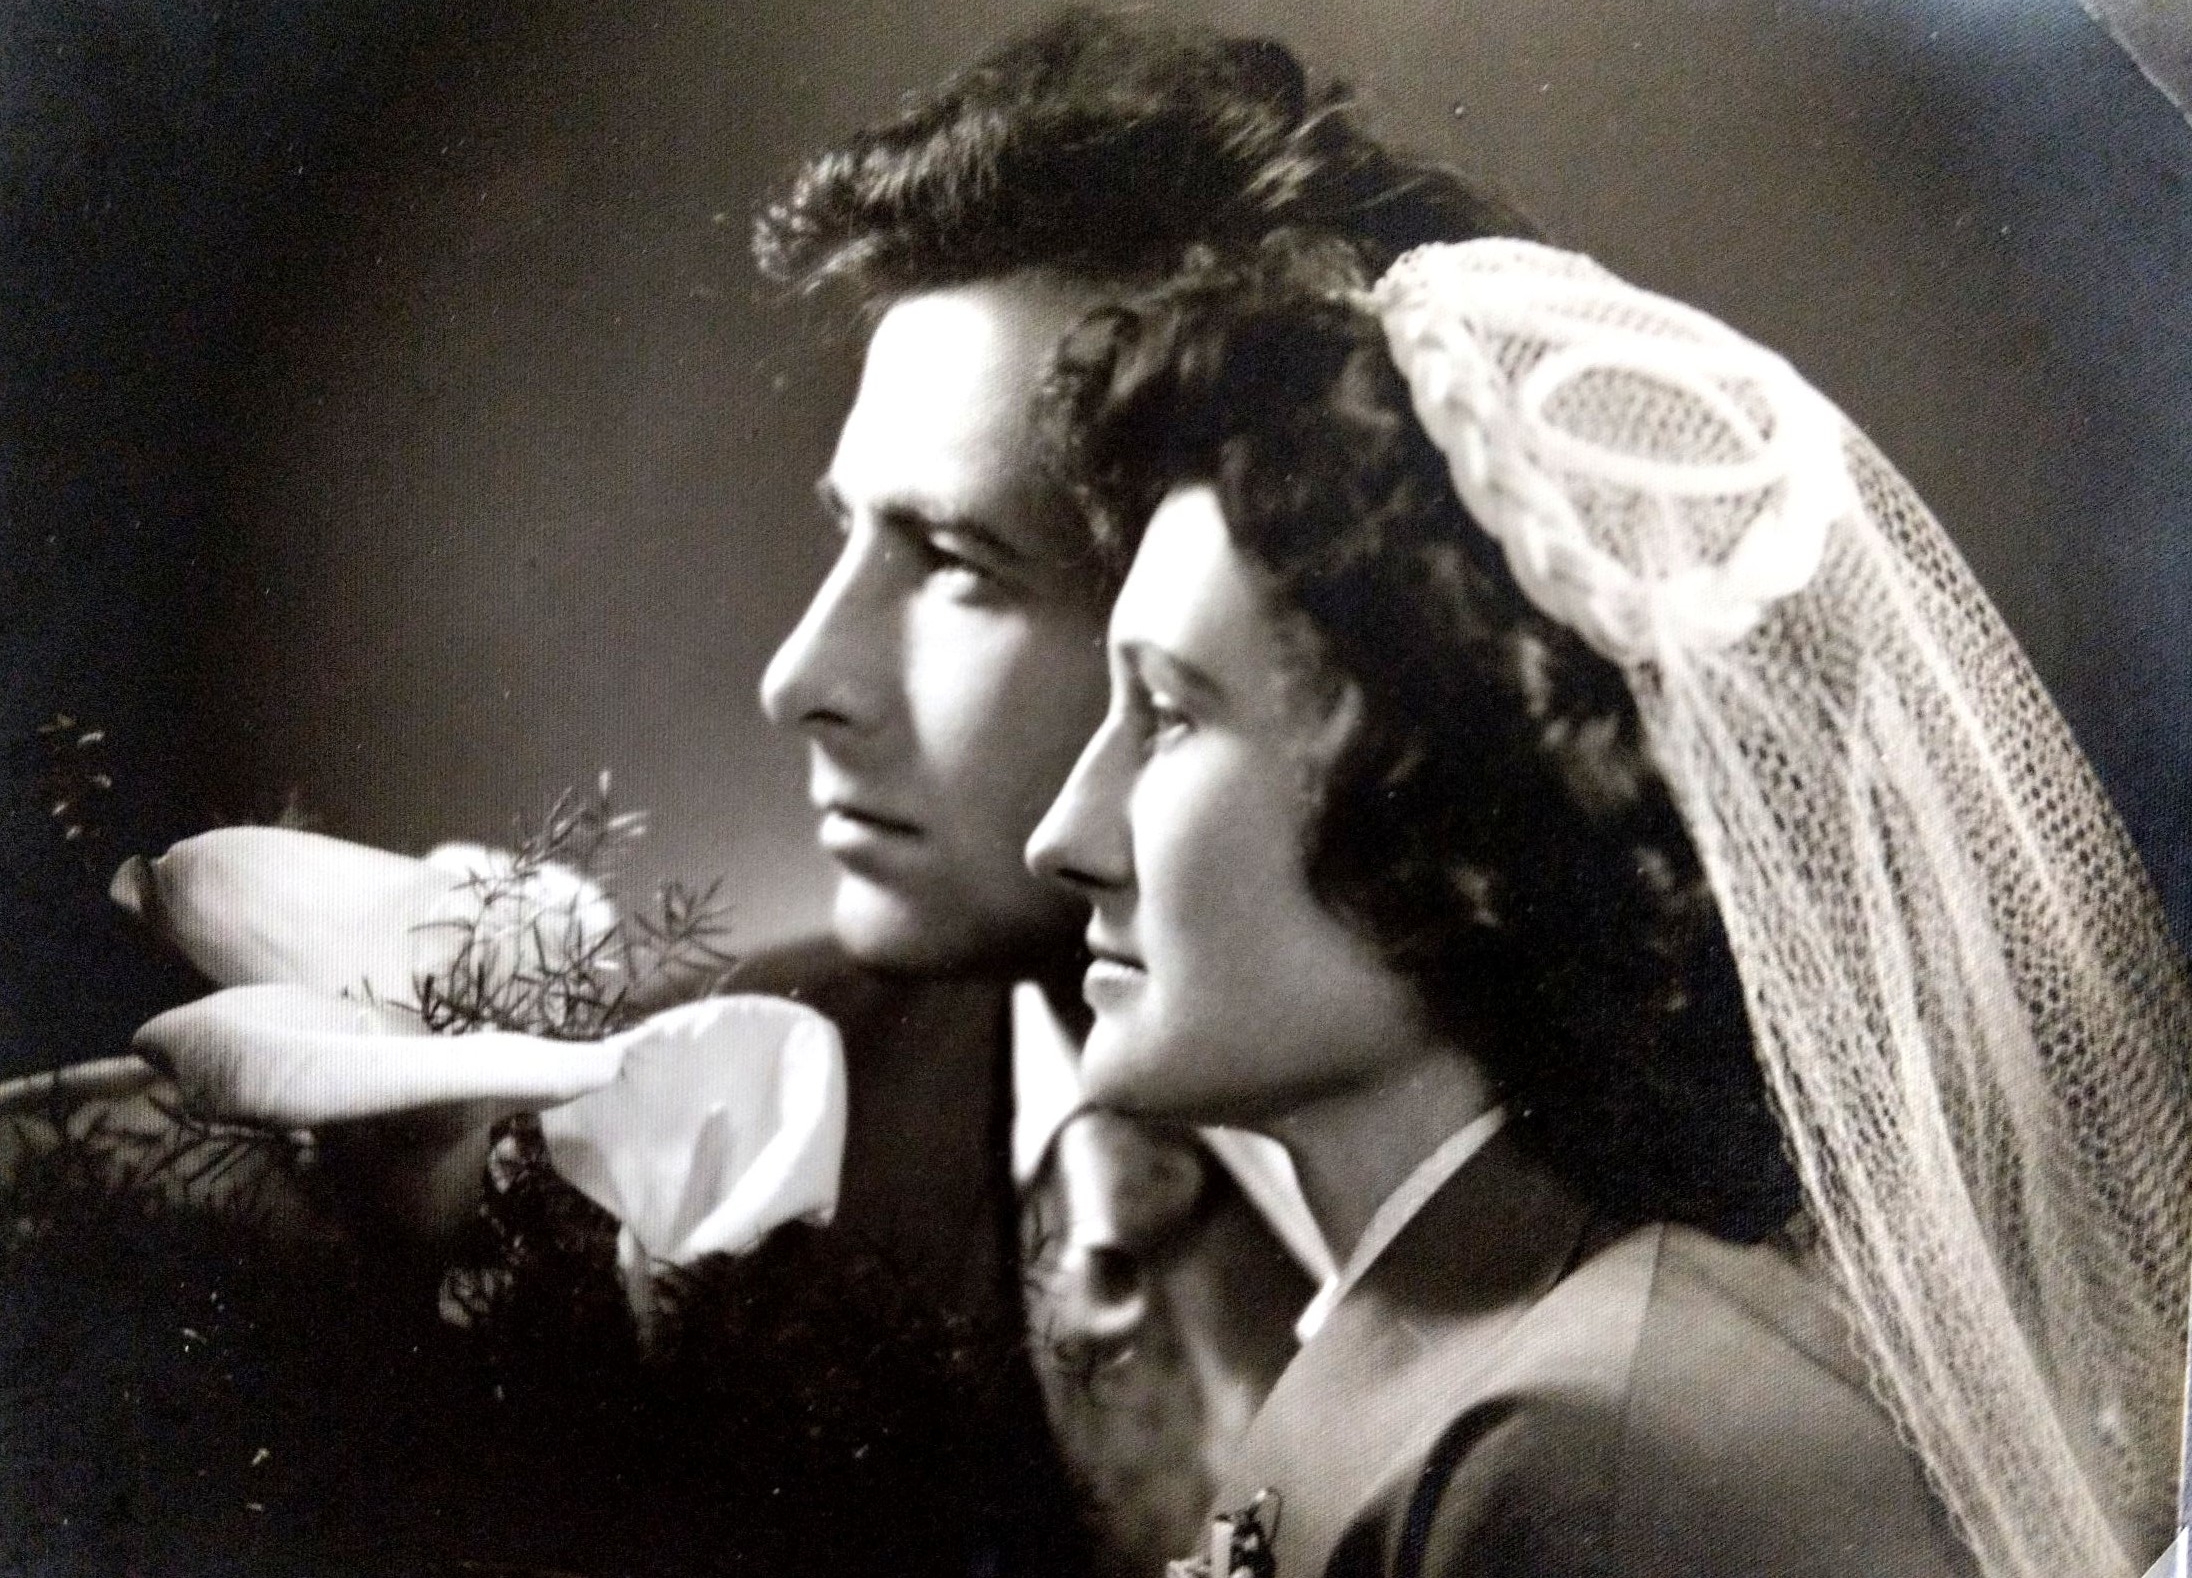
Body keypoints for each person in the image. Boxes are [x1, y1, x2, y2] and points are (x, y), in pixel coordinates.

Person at [5, 14, 1532, 1577]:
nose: (803, 671)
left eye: (955, 561)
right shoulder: (656, 1156)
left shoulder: (1587, 1185)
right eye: (845, 534)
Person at [1026, 234, 2192, 1578]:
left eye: (1170, 714)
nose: (1063, 838)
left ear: (1450, 801)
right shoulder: (1479, 1340)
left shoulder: (1593, 1443)